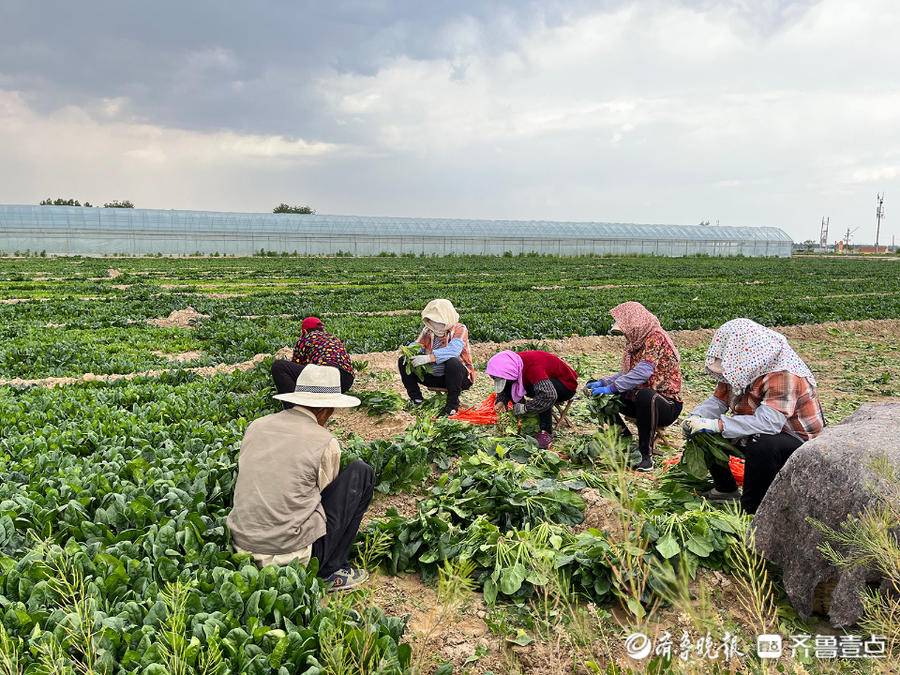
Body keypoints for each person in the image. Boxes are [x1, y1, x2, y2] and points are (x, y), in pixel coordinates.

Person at [227, 364, 373, 591]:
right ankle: (331, 569)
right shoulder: (325, 441)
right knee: (361, 472)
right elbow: (325, 497)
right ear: (327, 411)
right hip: (290, 556)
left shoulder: (256, 426)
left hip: (242, 548)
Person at [683, 318, 825, 514]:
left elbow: (769, 424)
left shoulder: (783, 374)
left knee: (762, 444)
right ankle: (726, 489)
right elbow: (719, 401)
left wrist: (718, 425)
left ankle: (753, 509)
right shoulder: (741, 368)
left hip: (795, 438)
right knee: (703, 434)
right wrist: (697, 417)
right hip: (758, 427)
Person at [585, 301, 683, 472]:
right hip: (640, 401)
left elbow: (643, 372)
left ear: (635, 325)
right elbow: (627, 374)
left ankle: (646, 455)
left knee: (646, 395)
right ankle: (624, 438)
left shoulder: (655, 337)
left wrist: (612, 387)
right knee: (602, 399)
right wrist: (603, 383)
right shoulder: (635, 344)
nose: (625, 336)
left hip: (665, 405)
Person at [487, 349, 578, 450]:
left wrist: (525, 408)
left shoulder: (532, 368)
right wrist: (501, 401)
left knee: (542, 393)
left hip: (566, 385)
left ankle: (545, 431)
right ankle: (520, 420)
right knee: (513, 383)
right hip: (544, 382)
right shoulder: (513, 364)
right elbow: (507, 382)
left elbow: (548, 395)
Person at [398, 299, 475, 416]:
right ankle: (416, 399)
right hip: (435, 375)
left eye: (440, 322)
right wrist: (408, 350)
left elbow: (454, 351)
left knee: (452, 362)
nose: (436, 326)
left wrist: (429, 358)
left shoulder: (460, 329)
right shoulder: (428, 330)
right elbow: (418, 344)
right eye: (433, 322)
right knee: (403, 361)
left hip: (458, 378)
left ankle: (452, 406)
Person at [272, 317, 355, 409]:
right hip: (344, 381)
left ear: (304, 331)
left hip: (324, 378)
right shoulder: (334, 338)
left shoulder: (305, 338)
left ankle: (294, 409)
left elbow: (298, 364)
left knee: (279, 366)